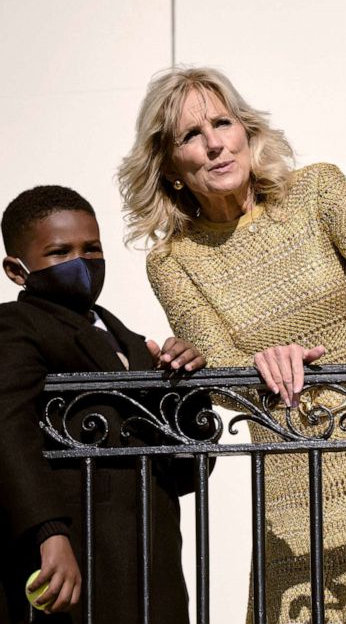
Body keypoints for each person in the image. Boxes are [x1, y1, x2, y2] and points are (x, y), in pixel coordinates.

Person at [117, 67, 346, 622]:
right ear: (170, 165)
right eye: (191, 135)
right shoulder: (172, 261)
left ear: (248, 132)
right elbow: (221, 376)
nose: (215, 143)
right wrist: (257, 365)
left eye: (223, 123)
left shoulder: (318, 190)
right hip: (293, 474)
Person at [0, 186, 207, 623]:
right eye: (60, 252)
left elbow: (188, 468)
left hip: (155, 563)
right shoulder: (16, 326)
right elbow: (7, 428)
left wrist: (187, 385)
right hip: (77, 557)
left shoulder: (131, 341)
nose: (82, 261)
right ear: (17, 271)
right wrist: (49, 533)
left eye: (91, 247)